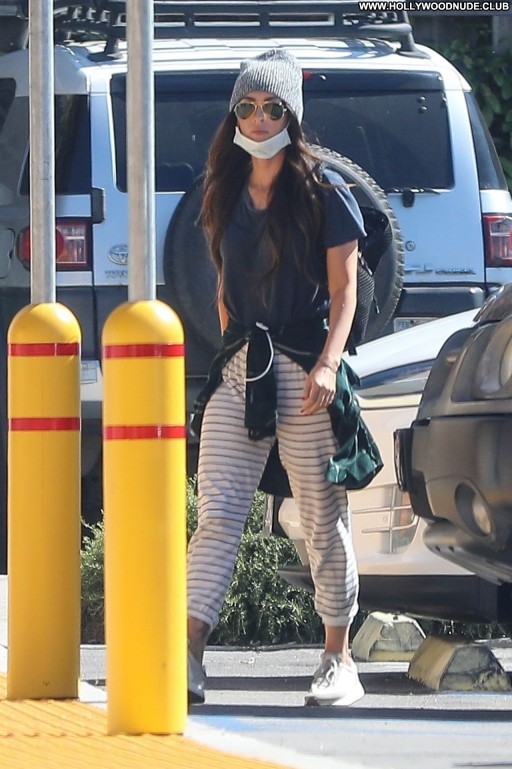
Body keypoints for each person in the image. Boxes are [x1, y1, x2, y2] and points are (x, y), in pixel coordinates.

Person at [186, 49, 382, 707]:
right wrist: (233, 348)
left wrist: (327, 362)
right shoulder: (222, 189)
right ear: (234, 115)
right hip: (243, 365)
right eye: (247, 106)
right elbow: (223, 285)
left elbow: (345, 291)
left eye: (272, 107)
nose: (260, 118)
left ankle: (338, 657)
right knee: (217, 513)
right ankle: (187, 655)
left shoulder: (325, 192)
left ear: (291, 114)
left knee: (321, 516)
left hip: (305, 365)